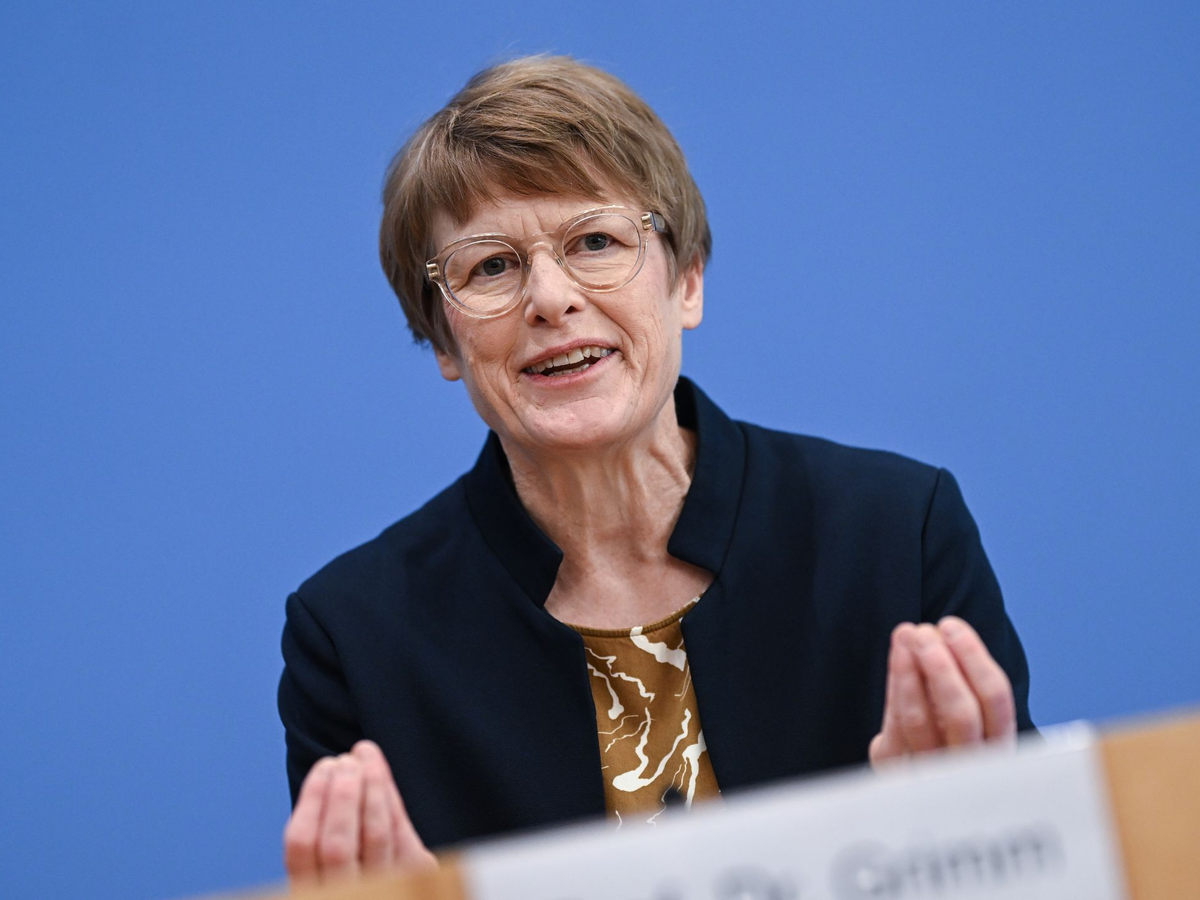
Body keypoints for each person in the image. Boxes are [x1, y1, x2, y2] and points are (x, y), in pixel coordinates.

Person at [277, 55, 1034, 887]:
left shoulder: (896, 532)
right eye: (490, 266)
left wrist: (961, 846)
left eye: (595, 242)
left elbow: (1042, 869)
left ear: (688, 282)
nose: (550, 298)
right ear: (443, 340)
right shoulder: (354, 638)